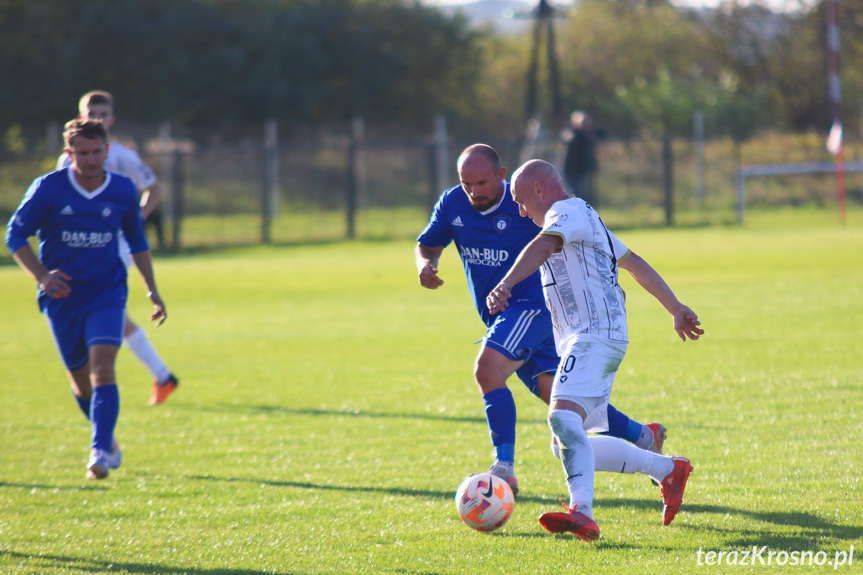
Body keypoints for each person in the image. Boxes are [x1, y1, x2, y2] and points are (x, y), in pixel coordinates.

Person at [416, 144, 667, 498]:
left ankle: (504, 468)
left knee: (487, 369)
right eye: (466, 183)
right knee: (563, 403)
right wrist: (426, 265)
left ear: (501, 176)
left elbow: (562, 238)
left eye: (482, 182)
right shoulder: (452, 203)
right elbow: (428, 243)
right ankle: (644, 435)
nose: (473, 191)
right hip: (515, 317)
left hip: (531, 307)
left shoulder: (528, 202)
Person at [486, 159, 704, 541]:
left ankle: (581, 512)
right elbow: (633, 262)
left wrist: (505, 284)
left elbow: (543, 246)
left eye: (521, 201)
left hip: (594, 335)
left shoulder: (565, 213)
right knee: (564, 442)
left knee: (562, 419)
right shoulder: (586, 215)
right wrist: (674, 307)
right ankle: (667, 469)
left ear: (540, 189)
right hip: (592, 338)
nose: (521, 211)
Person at [6, 119, 168, 479]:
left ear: (107, 152)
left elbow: (138, 241)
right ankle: (108, 440)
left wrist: (152, 288)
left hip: (107, 291)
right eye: (83, 153)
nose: (91, 160)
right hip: (62, 297)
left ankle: (98, 448)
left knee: (103, 367)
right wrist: (43, 276)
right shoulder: (49, 188)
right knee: (80, 383)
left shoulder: (123, 190)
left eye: (97, 152)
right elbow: (15, 235)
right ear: (69, 153)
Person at [57, 90, 178, 405]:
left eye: (102, 113)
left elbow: (155, 188)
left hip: (115, 247)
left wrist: (134, 218)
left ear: (111, 119)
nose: (95, 118)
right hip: (78, 250)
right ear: (80, 115)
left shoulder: (122, 156)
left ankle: (156, 378)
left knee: (104, 310)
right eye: (90, 112)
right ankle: (163, 377)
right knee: (108, 314)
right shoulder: (67, 159)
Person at [562, 111, 601, 206]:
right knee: (576, 194)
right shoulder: (570, 133)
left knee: (589, 196)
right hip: (572, 170)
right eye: (583, 123)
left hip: (586, 170)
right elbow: (571, 138)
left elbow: (603, 134)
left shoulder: (589, 134)